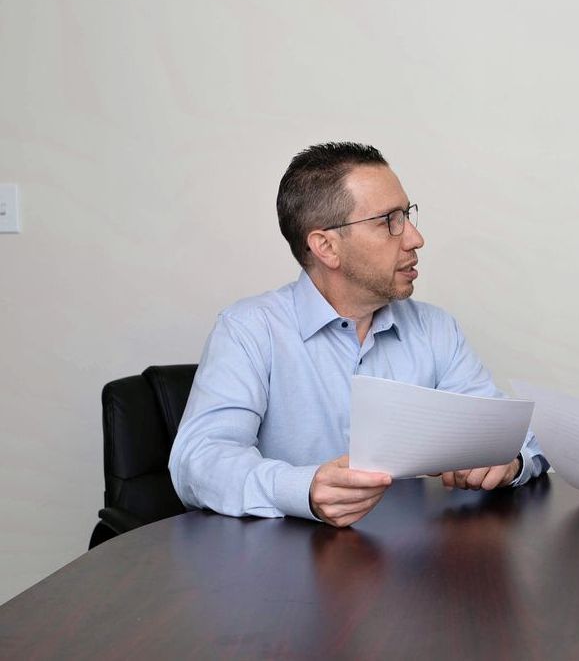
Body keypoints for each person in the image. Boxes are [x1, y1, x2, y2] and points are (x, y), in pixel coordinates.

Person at [169, 142, 546, 527]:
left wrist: (509, 461)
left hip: (416, 568)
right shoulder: (249, 330)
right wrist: (304, 489)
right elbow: (198, 462)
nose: (415, 239)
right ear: (326, 247)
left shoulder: (435, 329)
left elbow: (521, 439)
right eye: (389, 221)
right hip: (286, 568)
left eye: (408, 215)